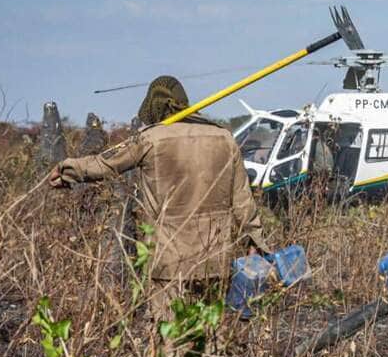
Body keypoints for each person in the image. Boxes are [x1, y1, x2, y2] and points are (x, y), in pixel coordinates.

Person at [49, 76, 269, 326]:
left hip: (169, 258)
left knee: (172, 339)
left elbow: (104, 164)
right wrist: (257, 242)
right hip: (214, 259)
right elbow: (243, 200)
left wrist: (65, 169)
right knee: (209, 338)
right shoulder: (223, 138)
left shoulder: (150, 138)